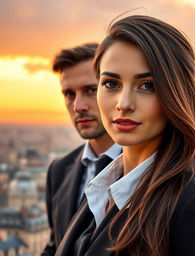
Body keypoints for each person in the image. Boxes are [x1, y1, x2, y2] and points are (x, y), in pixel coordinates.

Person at [55, 15, 195, 256]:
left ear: (175, 95)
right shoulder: (102, 189)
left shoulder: (194, 203)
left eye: (147, 85)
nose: (123, 103)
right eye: (111, 83)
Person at [41, 43, 121, 255]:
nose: (78, 106)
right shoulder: (58, 171)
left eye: (91, 90)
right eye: (69, 94)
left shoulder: (149, 171)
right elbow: (56, 246)